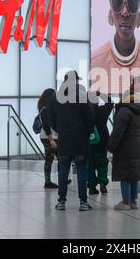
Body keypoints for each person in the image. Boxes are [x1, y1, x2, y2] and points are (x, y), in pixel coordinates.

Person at [48, 71, 95, 211]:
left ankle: (61, 201)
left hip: (64, 140)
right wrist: (89, 131)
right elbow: (90, 116)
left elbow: (50, 117)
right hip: (80, 139)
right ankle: (83, 202)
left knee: (63, 170)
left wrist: (60, 129)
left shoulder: (55, 97)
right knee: (81, 170)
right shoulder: (81, 96)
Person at [108, 90, 140, 211]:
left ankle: (125, 202)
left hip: (125, 147)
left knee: (125, 174)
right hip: (136, 146)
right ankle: (133, 201)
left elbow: (117, 132)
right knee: (133, 174)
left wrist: (111, 147)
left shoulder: (124, 111)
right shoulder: (137, 110)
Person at [87, 92, 114, 195]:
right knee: (102, 162)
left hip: (89, 140)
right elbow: (110, 102)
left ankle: (92, 186)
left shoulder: (87, 110)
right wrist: (101, 94)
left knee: (90, 164)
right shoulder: (104, 110)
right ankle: (103, 182)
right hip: (102, 140)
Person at [39, 88, 60, 189]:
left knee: (59, 158)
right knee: (49, 159)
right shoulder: (45, 109)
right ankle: (47, 182)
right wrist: (51, 140)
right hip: (48, 137)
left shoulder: (47, 108)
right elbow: (46, 125)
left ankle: (62, 178)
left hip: (51, 137)